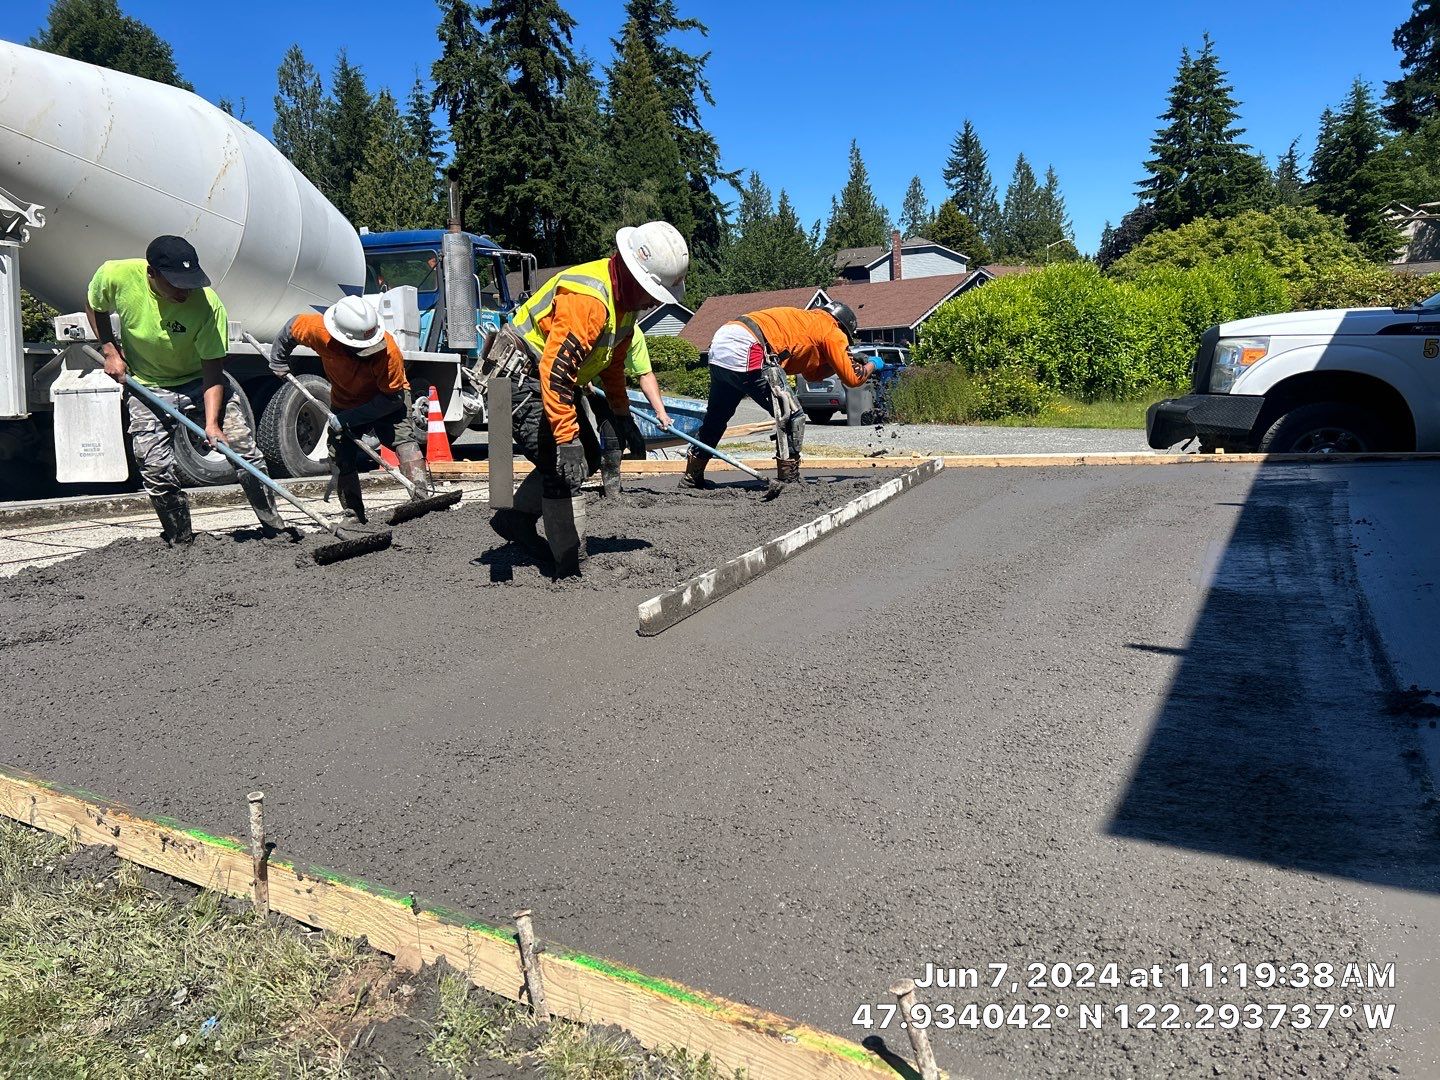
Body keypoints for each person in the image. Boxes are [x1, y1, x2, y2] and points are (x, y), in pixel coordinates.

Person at [486, 220, 689, 576]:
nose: (655, 300)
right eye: (653, 291)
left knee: (590, 456)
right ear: (630, 273)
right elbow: (556, 371)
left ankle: (514, 521)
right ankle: (569, 565)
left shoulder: (625, 308)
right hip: (515, 379)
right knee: (565, 469)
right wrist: (566, 439)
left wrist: (622, 416)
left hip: (544, 380)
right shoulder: (589, 301)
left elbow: (610, 366)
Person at [86, 235, 286, 544]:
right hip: (148, 384)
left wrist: (212, 424)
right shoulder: (117, 275)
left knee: (245, 451)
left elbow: (212, 371)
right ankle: (181, 541)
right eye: (177, 283)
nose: (185, 291)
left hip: (199, 381)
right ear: (152, 273)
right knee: (154, 466)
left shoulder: (208, 307)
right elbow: (94, 304)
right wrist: (110, 351)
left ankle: (274, 528)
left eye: (190, 282)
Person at [682, 301, 882, 489]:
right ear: (843, 328)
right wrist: (872, 364)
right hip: (751, 346)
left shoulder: (808, 321)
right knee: (792, 416)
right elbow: (852, 379)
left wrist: (837, 362)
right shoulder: (833, 331)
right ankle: (789, 479)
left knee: (716, 418)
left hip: (723, 342)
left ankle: (692, 476)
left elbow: (812, 374)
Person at [267, 296, 422, 525]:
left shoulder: (388, 351)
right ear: (341, 339)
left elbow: (393, 399)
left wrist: (349, 418)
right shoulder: (318, 330)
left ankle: (421, 499)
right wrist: (279, 360)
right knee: (341, 453)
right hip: (346, 399)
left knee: (404, 441)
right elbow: (291, 327)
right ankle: (353, 513)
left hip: (386, 398)